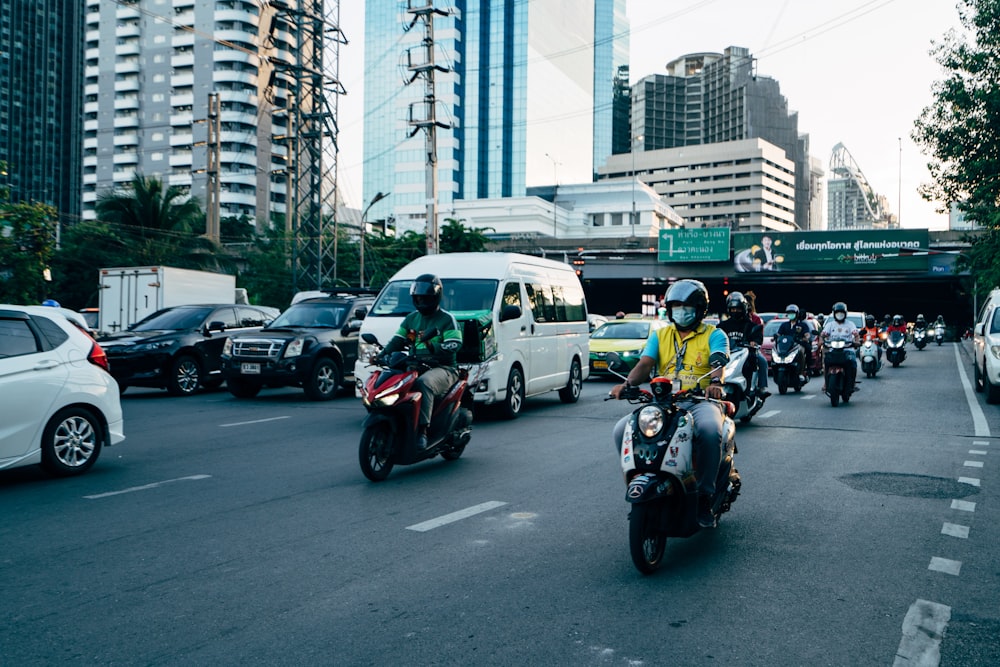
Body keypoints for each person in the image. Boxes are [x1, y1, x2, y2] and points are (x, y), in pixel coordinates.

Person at [609, 279, 730, 528]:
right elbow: (644, 364)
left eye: (687, 306)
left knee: (709, 431)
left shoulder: (714, 334)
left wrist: (715, 383)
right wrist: (628, 384)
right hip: (663, 402)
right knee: (622, 430)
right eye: (676, 306)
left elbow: (718, 363)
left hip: (699, 400)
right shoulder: (661, 334)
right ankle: (639, 482)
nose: (681, 311)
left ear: (700, 309)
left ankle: (705, 496)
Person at [376, 274, 463, 450]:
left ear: (435, 297)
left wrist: (433, 348)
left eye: (425, 297)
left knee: (424, 383)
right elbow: (398, 340)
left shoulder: (447, 320)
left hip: (443, 368)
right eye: (418, 298)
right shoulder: (411, 319)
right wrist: (381, 355)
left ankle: (423, 430)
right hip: (415, 365)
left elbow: (454, 344)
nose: (421, 300)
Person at [718, 291, 769, 398]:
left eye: (738, 309)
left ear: (744, 309)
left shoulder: (751, 325)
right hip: (728, 354)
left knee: (762, 361)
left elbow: (758, 337)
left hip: (747, 353)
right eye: (733, 309)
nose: (735, 311)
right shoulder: (722, 326)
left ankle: (761, 387)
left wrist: (753, 342)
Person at [822, 302, 860, 390]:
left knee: (853, 362)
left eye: (841, 313)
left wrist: (857, 342)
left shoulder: (850, 324)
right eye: (837, 313)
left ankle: (852, 382)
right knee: (826, 363)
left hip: (847, 349)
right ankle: (826, 382)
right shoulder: (830, 325)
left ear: (845, 314)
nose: (839, 315)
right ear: (834, 314)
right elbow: (823, 335)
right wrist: (821, 341)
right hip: (833, 349)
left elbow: (856, 334)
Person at [776, 304, 811, 379]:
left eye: (792, 313)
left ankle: (801, 372)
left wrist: (805, 338)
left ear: (797, 314)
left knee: (801, 351)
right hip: (787, 346)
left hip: (798, 345)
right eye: (789, 313)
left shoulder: (802, 325)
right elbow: (779, 334)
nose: (790, 315)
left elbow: (807, 334)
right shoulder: (784, 325)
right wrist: (775, 337)